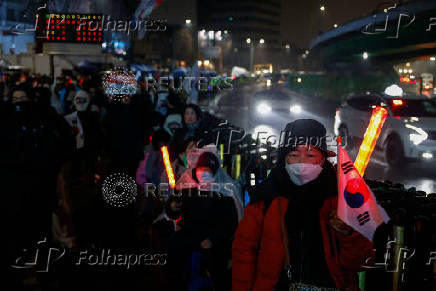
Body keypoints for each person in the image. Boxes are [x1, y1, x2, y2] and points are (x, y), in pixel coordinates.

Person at [232, 119, 374, 291]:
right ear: (284, 159)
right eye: (294, 155)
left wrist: (348, 233)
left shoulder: (342, 198)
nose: (302, 162)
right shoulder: (265, 197)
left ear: (323, 159)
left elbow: (361, 262)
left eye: (310, 155)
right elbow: (244, 253)